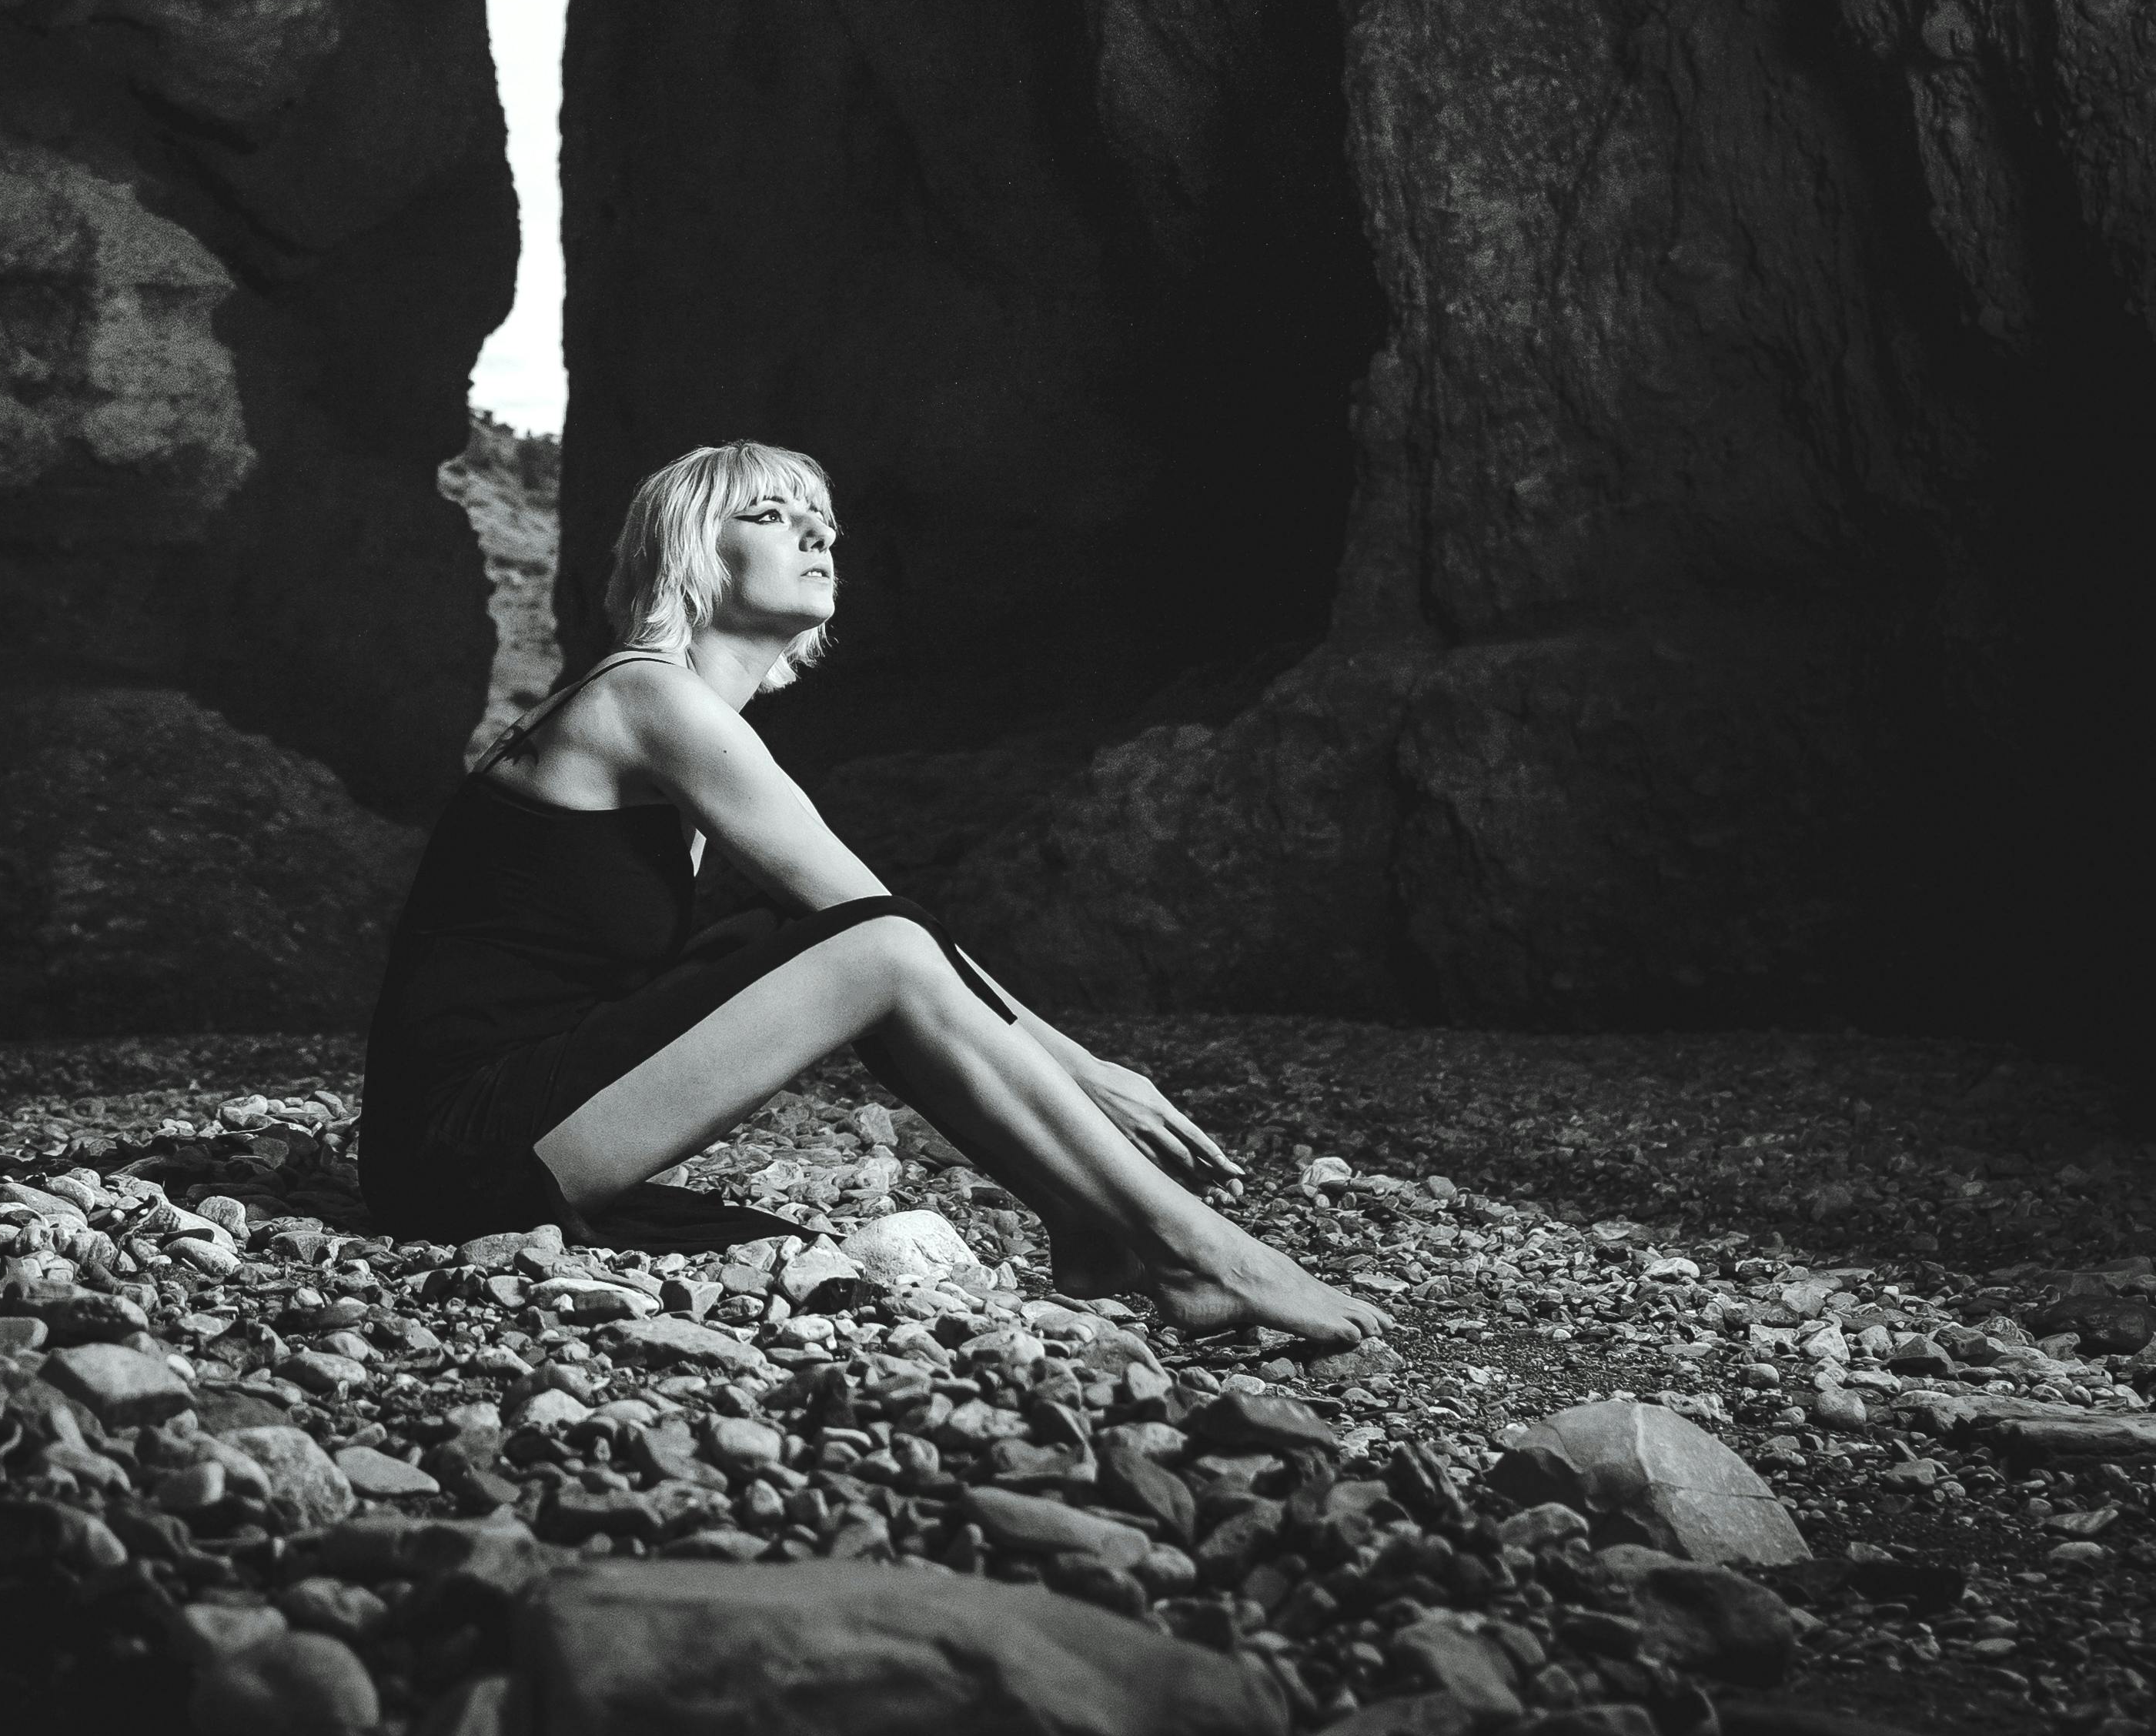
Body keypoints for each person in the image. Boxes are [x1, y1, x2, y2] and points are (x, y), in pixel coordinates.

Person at [357, 439, 1386, 1347]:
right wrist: (1083, 1069)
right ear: (690, 550)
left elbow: (853, 926)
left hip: (497, 1122)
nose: (814, 535)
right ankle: (1188, 1251)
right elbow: (883, 924)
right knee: (878, 944)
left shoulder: (653, 707)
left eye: (822, 522)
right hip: (460, 1145)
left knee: (818, 935)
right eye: (769, 514)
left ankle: (1090, 1223)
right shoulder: (645, 695)